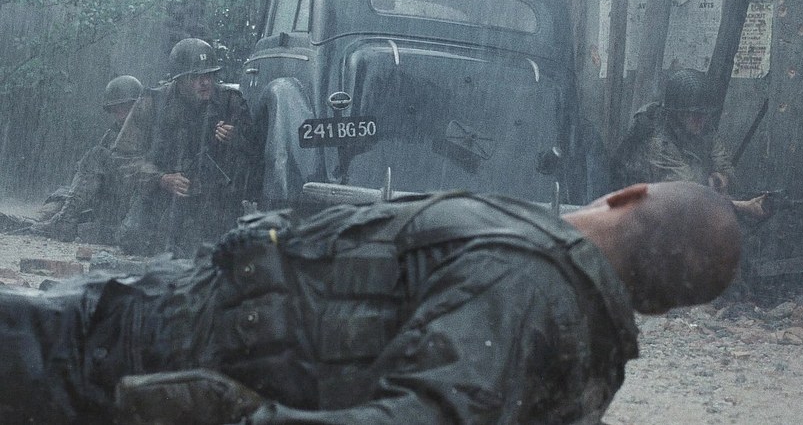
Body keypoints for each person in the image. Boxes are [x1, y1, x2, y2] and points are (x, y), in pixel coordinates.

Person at [0, 181, 741, 424]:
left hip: (111, 358)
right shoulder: (573, 337)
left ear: (627, 194)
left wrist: (234, 418)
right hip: (122, 336)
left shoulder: (526, 280)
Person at [112, 38, 261, 256]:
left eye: (209, 75)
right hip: (162, 197)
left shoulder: (231, 103)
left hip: (215, 201)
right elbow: (123, 157)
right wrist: (161, 178)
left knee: (214, 250)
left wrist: (235, 138)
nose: (205, 82)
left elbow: (257, 155)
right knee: (133, 238)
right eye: (196, 77)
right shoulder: (153, 103)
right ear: (179, 79)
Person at [612, 68, 769, 220]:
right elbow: (688, 194)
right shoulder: (657, 141)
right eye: (694, 114)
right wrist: (742, 206)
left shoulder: (702, 127)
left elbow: (722, 161)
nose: (701, 120)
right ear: (677, 113)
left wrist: (723, 176)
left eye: (704, 114)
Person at [0, 75, 143, 241]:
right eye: (116, 110)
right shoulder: (112, 134)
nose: (120, 115)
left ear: (137, 106)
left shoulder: (149, 131)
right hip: (109, 197)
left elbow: (133, 168)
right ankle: (34, 222)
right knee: (65, 194)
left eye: (125, 108)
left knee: (96, 156)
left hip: (131, 199)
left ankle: (61, 223)